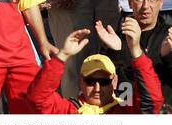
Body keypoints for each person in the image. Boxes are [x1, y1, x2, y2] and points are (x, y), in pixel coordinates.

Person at [26, 25, 164, 115]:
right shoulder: (68, 110)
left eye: (104, 82)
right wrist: (62, 56)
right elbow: (37, 98)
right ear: (81, 82)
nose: (97, 88)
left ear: (114, 82)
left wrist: (135, 50)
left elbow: (152, 101)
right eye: (90, 81)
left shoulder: (125, 110)